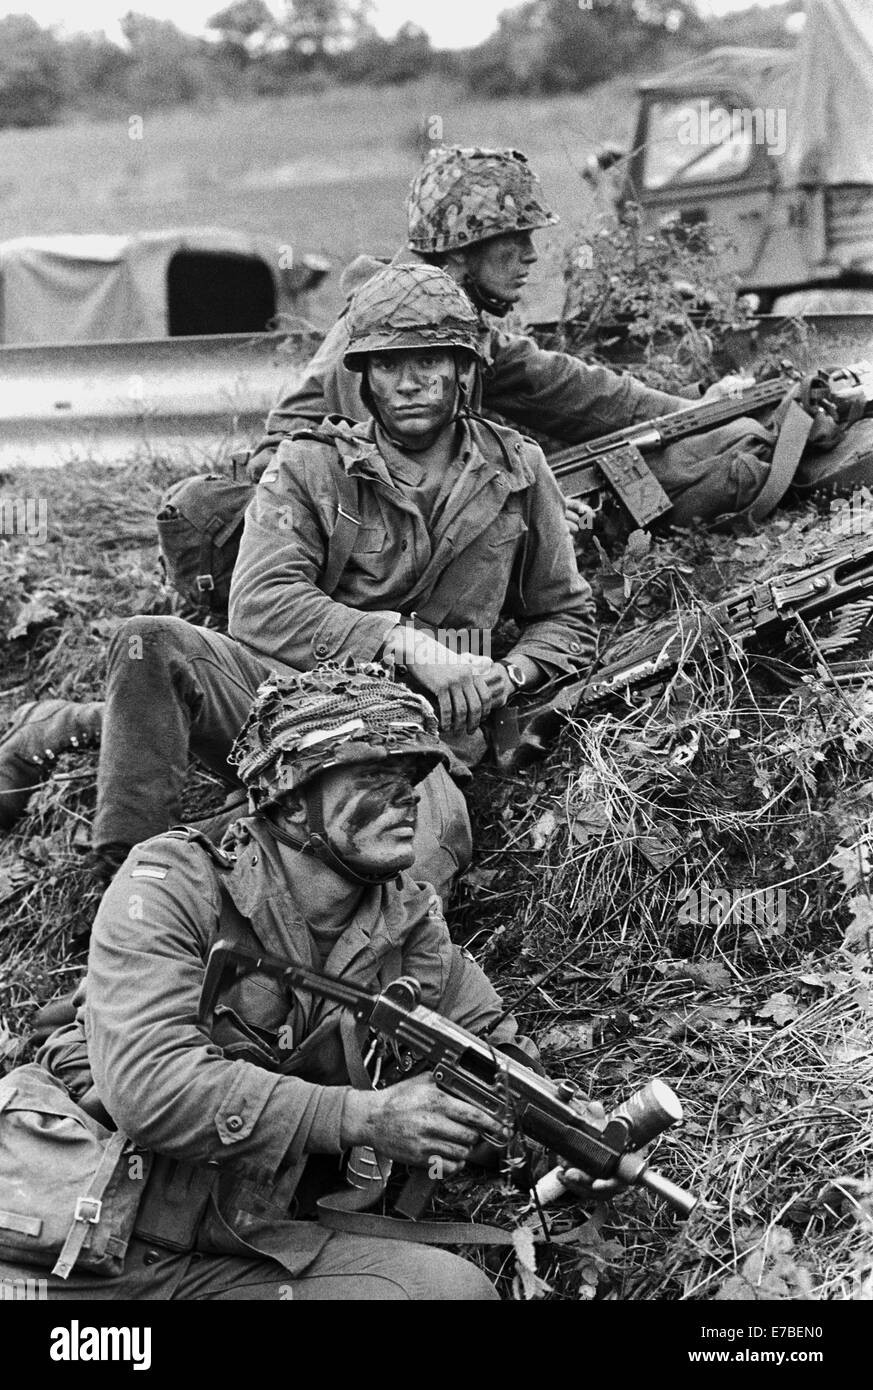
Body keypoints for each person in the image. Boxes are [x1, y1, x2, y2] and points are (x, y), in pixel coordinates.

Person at [0, 666, 542, 1300]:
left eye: (411, 781)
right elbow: (149, 1087)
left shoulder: (411, 932)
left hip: (245, 1254)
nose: (410, 800)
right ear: (289, 794)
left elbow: (502, 1067)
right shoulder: (173, 885)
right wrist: (364, 1117)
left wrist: (564, 1142)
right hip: (79, 1242)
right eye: (375, 777)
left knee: (448, 1293)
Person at [86, 262, 595, 893]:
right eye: (387, 364)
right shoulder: (310, 466)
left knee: (407, 868)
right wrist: (401, 642)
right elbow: (260, 604)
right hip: (291, 704)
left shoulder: (519, 471)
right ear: (364, 376)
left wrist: (509, 674)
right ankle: (128, 887)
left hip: (418, 737)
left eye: (428, 361)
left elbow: (566, 614)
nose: (408, 383)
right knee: (149, 641)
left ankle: (283, 907)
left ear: (463, 368)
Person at [252, 145, 766, 529]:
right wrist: (517, 511)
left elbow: (569, 390)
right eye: (512, 240)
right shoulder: (380, 335)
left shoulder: (449, 324)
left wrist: (695, 411)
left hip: (396, 522)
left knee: (669, 472)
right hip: (312, 525)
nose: (530, 256)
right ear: (459, 251)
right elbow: (386, 485)